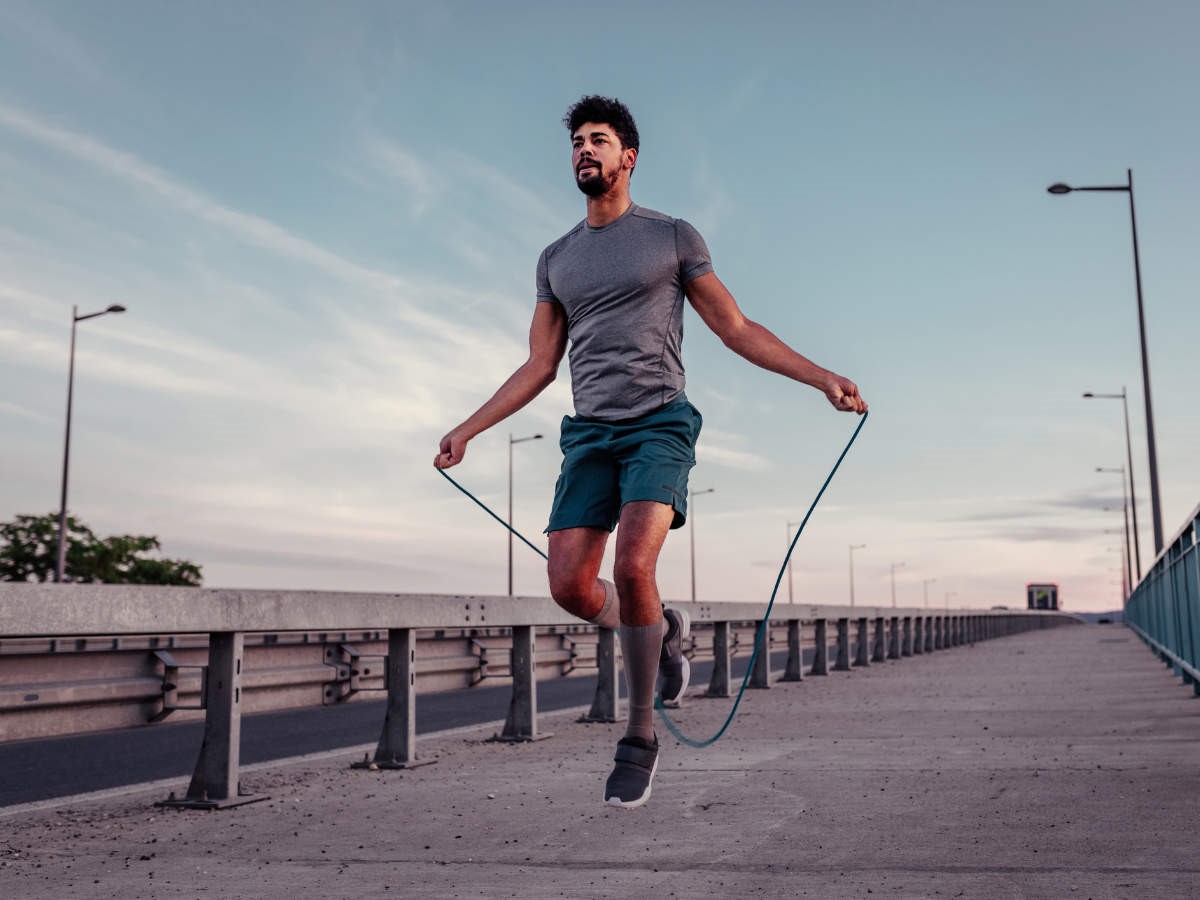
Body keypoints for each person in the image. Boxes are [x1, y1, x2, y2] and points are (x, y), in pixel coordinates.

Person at [435, 95, 867, 809]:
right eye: (576, 141)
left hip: (659, 424)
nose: (584, 151)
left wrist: (821, 377)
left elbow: (735, 327)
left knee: (635, 565)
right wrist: (468, 428)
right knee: (570, 587)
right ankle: (665, 629)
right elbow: (539, 365)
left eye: (598, 140)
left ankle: (639, 734)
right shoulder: (556, 259)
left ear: (628, 157)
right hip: (589, 434)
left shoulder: (671, 237)